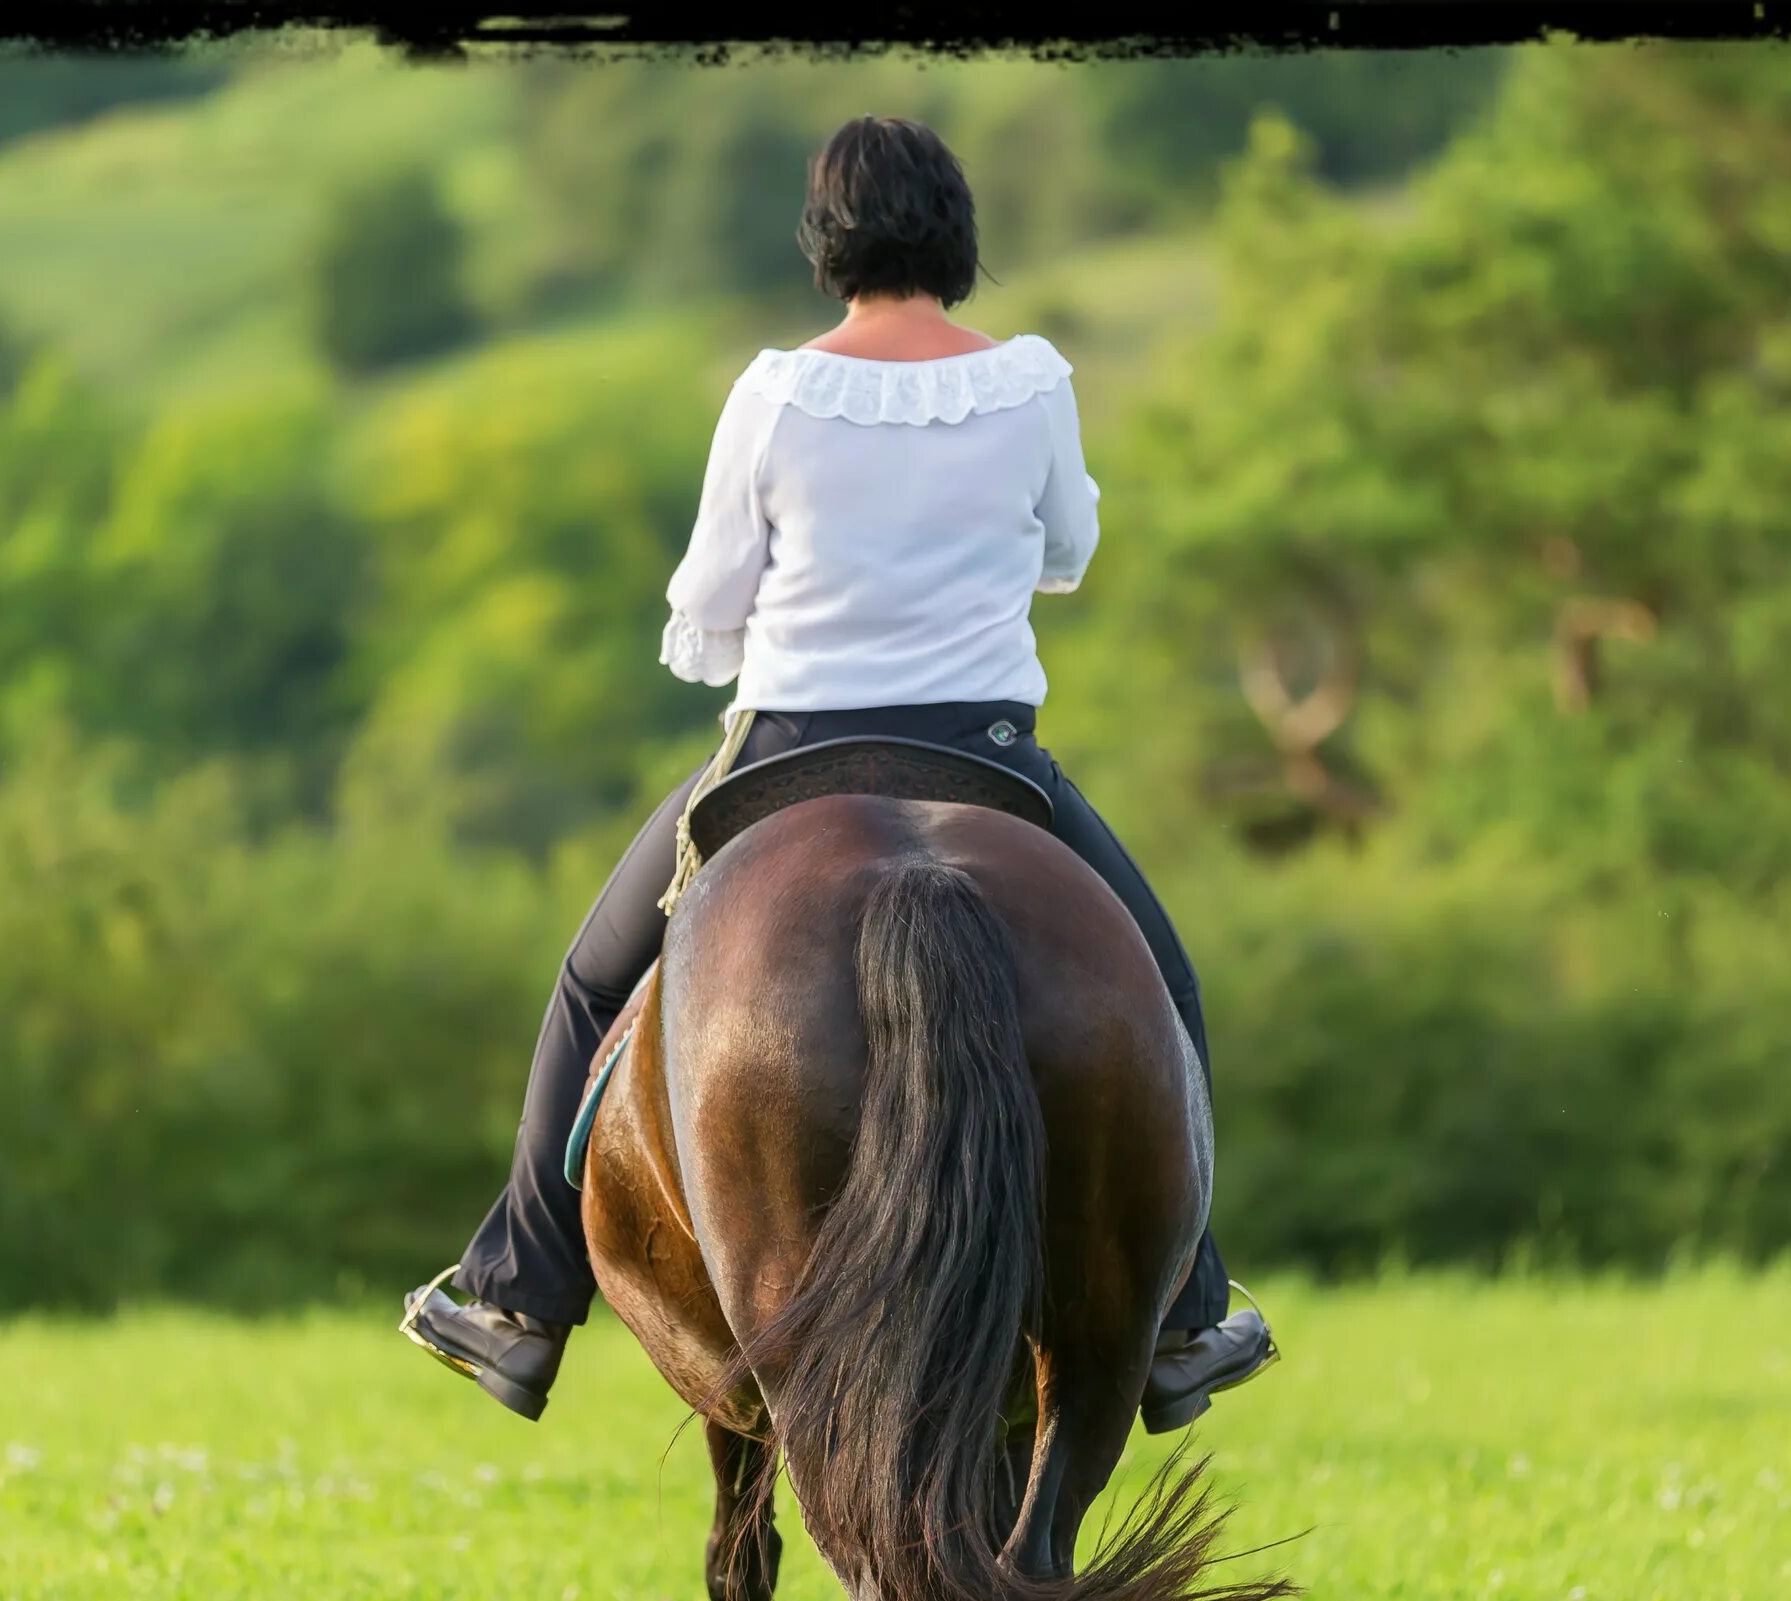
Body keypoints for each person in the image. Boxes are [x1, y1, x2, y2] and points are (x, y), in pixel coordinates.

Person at [402, 114, 1274, 1433]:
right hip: (987, 758)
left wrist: (749, 621)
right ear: (957, 233)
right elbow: (1071, 546)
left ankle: (518, 1295)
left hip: (789, 751)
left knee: (590, 985)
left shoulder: (774, 391)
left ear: (827, 241)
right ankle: (1190, 1310)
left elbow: (708, 599)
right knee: (1162, 983)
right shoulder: (1033, 379)